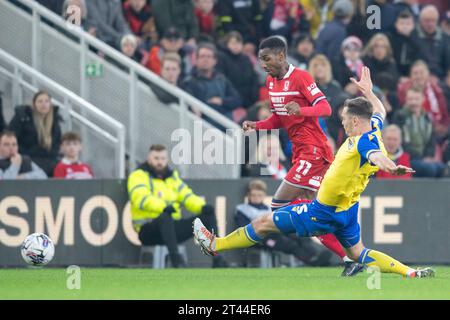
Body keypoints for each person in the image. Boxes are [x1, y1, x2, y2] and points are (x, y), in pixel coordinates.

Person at [194, 66, 435, 279]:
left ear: (353, 122)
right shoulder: (374, 128)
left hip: (324, 212)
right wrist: (369, 92)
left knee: (263, 223)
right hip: (348, 211)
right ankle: (410, 272)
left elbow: (375, 156)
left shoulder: (362, 141)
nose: (341, 123)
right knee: (359, 252)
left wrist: (391, 167)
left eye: (343, 119)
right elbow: (380, 110)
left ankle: (215, 244)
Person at [241, 36, 364, 276]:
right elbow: (279, 119)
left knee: (278, 205)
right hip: (300, 152)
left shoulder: (301, 77)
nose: (263, 65)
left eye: (267, 59)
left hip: (314, 151)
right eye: (260, 60)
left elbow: (326, 108)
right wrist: (257, 125)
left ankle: (344, 251)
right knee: (315, 214)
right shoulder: (271, 83)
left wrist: (302, 109)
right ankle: (350, 259)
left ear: (281, 56)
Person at [127, 144, 228, 268]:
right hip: (148, 230)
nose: (160, 162)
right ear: (149, 159)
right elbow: (140, 198)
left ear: (167, 160)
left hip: (172, 229)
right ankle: (176, 260)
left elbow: (186, 196)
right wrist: (163, 207)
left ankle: (217, 258)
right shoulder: (138, 175)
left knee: (208, 215)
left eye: (163, 159)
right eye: (156, 158)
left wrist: (202, 206)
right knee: (165, 216)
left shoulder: (172, 177)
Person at [235, 180, 333, 266]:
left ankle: (316, 256)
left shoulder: (268, 208)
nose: (256, 198)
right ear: (249, 196)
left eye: (259, 195)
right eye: (254, 195)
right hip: (263, 238)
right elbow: (243, 228)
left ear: (264, 195)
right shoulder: (242, 210)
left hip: (276, 232)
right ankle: (312, 261)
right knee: (290, 245)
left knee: (300, 236)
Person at [182, 43, 242, 128]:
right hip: (204, 128)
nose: (205, 59)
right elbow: (197, 108)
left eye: (209, 56)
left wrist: (222, 101)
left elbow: (237, 100)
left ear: (215, 61)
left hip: (226, 127)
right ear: (196, 60)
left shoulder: (221, 79)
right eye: (202, 56)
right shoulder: (189, 82)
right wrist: (222, 106)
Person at [393, 87, 447, 178]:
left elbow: (431, 141)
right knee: (430, 170)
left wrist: (428, 156)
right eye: (410, 99)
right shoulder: (400, 116)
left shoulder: (427, 118)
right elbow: (400, 142)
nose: (413, 102)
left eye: (416, 99)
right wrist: (420, 158)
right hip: (407, 158)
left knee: (443, 169)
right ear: (406, 100)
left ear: (423, 99)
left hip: (424, 159)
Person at [8, 90, 62, 177]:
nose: (43, 104)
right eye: (40, 101)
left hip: (50, 160)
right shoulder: (23, 118)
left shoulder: (55, 121)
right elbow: (12, 137)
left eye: (46, 101)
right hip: (28, 159)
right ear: (34, 104)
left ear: (50, 104)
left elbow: (57, 143)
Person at [397, 60, 450, 138]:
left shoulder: (436, 89)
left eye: (421, 73)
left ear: (428, 74)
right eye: (415, 73)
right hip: (414, 128)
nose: (419, 76)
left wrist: (444, 126)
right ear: (410, 76)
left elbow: (444, 111)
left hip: (439, 128)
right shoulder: (403, 89)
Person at [216, 31, 260, 109]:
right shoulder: (221, 57)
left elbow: (253, 77)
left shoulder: (245, 58)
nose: (236, 46)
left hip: (248, 99)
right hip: (231, 99)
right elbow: (223, 79)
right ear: (227, 44)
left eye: (238, 43)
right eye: (233, 43)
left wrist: (253, 95)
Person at [416, 5, 450, 79]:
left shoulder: (445, 38)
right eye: (427, 20)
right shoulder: (413, 36)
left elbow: (448, 62)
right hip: (419, 77)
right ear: (420, 21)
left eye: (433, 20)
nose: (430, 24)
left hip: (441, 79)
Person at [387, 9, 422, 77]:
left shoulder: (417, 42)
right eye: (402, 23)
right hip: (392, 74)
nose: (405, 26)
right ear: (396, 25)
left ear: (413, 26)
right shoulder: (389, 39)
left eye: (408, 24)